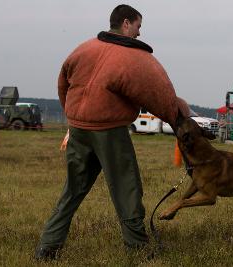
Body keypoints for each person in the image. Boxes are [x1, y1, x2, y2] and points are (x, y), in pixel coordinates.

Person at [35, 4, 189, 261]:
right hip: (110, 133)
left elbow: (63, 83)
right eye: (138, 26)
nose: (139, 33)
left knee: (72, 190)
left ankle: (48, 247)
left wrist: (75, 117)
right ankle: (138, 249)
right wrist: (178, 120)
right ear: (126, 23)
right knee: (126, 189)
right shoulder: (134, 59)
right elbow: (162, 96)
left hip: (79, 129)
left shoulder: (83, 49)